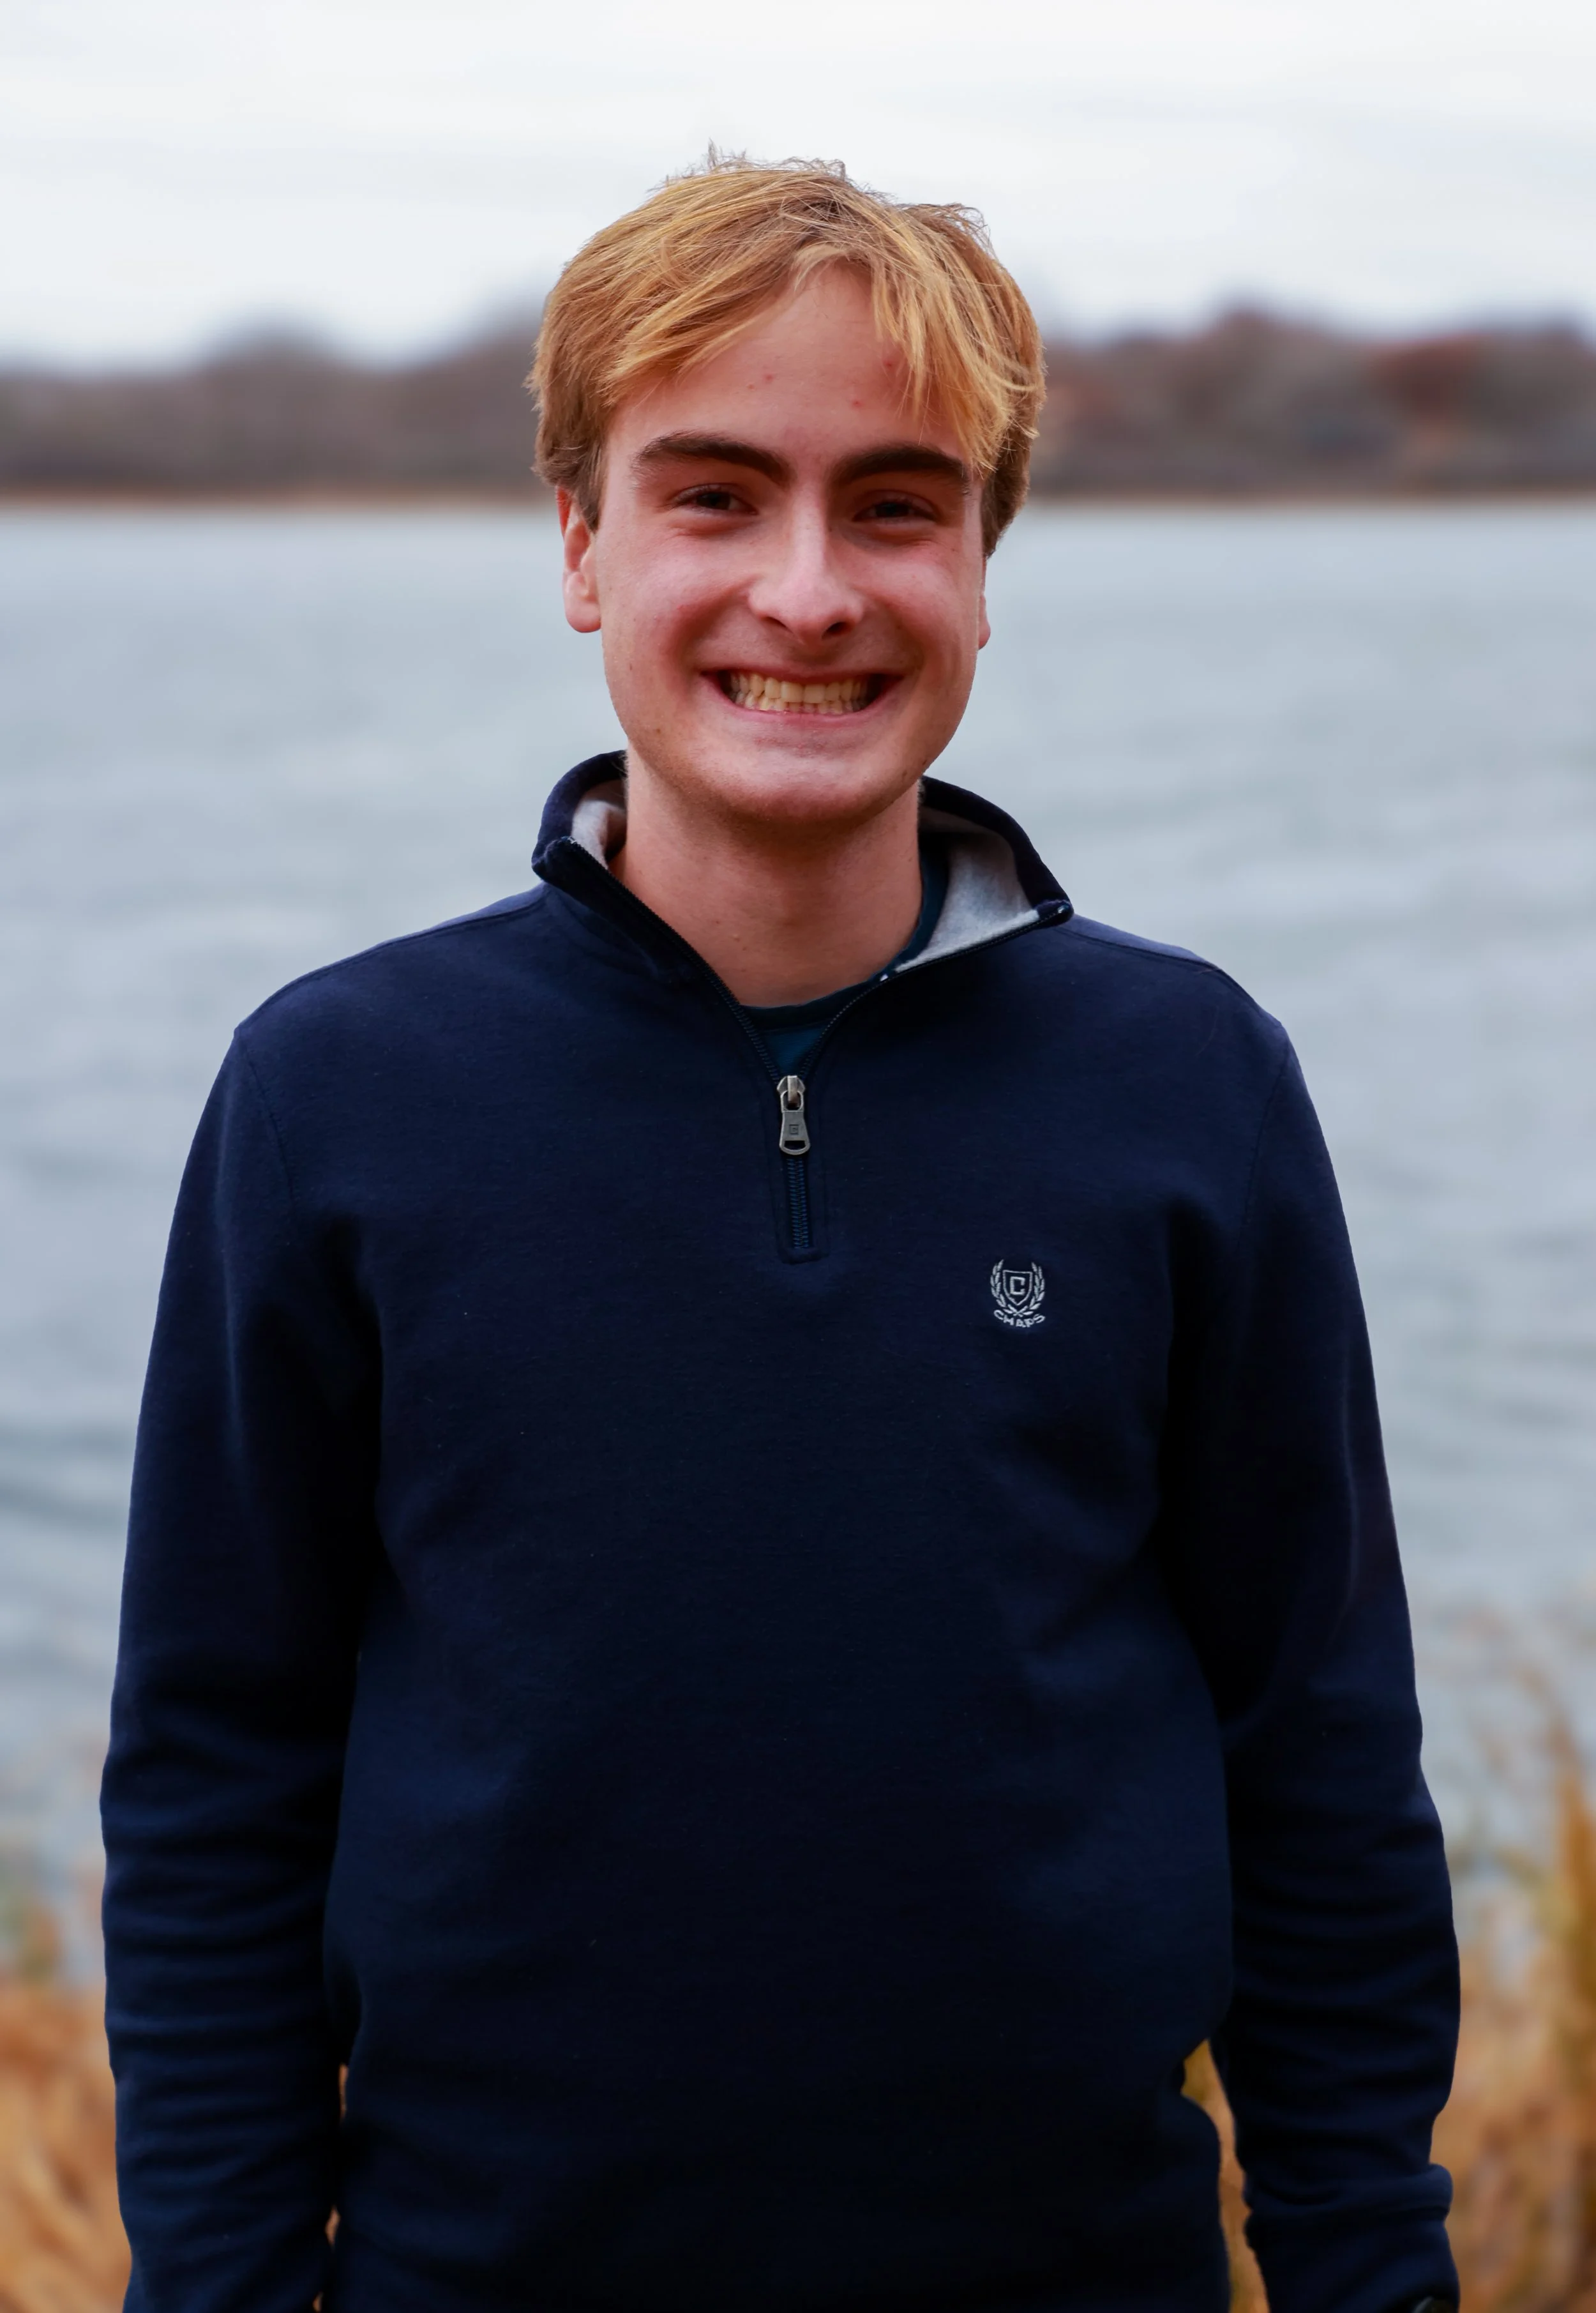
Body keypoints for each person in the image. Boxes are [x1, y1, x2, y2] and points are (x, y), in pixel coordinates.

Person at [101, 156, 1459, 2313]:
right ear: (581, 543)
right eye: (714, 497)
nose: (806, 593)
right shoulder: (338, 1089)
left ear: (985, 563)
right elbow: (214, 1778)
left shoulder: (1185, 1079)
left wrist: (1367, 2264)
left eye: (896, 505)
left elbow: (1314, 1747)